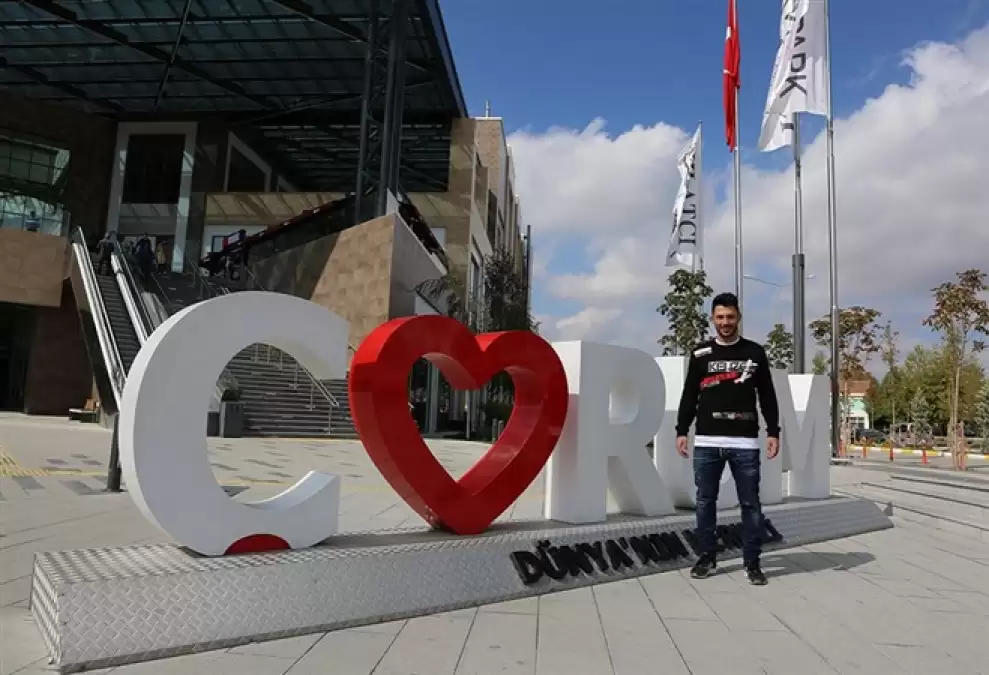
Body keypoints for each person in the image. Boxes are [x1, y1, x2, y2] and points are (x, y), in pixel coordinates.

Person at [675, 292, 780, 586]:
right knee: (705, 502)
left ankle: (752, 563)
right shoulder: (700, 354)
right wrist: (682, 430)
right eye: (720, 317)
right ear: (712, 319)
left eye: (730, 317)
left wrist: (773, 431)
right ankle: (706, 557)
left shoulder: (755, 352)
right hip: (706, 441)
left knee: (751, 504)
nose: (725, 322)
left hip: (745, 442)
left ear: (738, 318)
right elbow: (689, 394)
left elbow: (767, 395)